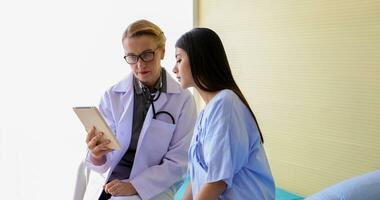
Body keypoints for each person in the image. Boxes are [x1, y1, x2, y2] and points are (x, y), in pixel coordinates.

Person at [85, 19, 197, 200]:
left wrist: (134, 186)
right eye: (131, 57)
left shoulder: (183, 100)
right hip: (111, 183)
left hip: (154, 188)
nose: (139, 64)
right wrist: (96, 155)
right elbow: (104, 160)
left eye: (147, 55)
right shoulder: (112, 96)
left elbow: (179, 162)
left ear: (162, 52)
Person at [172, 28, 275, 200]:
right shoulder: (207, 112)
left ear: (200, 59)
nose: (174, 68)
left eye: (179, 59)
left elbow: (217, 181)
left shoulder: (226, 104)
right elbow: (198, 178)